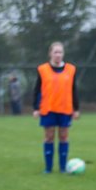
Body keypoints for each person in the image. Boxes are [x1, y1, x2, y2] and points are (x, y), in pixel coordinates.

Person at [33, 42, 80, 173]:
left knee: (64, 136)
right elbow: (37, 90)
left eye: (60, 52)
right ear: (50, 54)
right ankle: (48, 168)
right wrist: (36, 108)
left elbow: (73, 90)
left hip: (65, 108)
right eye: (55, 52)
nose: (58, 55)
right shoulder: (42, 70)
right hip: (48, 108)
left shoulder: (71, 69)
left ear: (63, 54)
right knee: (49, 136)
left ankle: (63, 167)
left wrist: (76, 109)